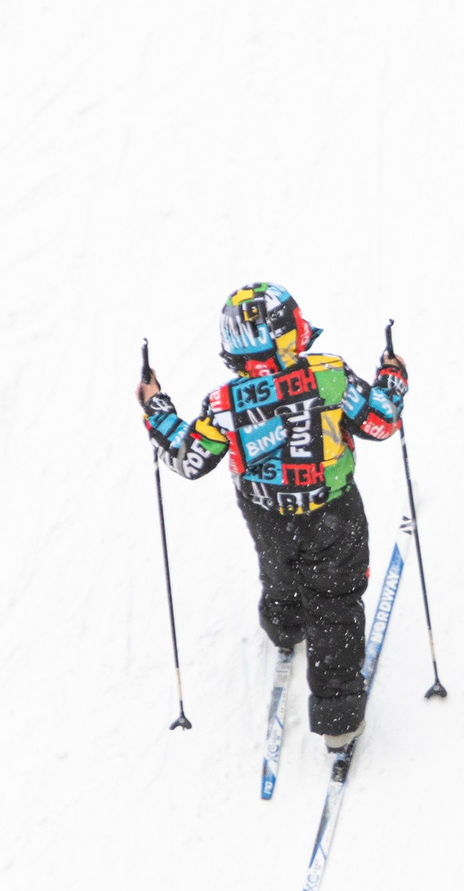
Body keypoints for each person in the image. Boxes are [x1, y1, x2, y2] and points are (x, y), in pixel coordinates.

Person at [137, 283, 408, 748]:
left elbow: (191, 459)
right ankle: (338, 719)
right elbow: (380, 423)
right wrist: (392, 378)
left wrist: (156, 407)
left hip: (266, 512)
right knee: (336, 602)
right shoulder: (331, 377)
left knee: (278, 565)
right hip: (332, 509)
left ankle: (285, 623)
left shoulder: (225, 404)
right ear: (289, 335)